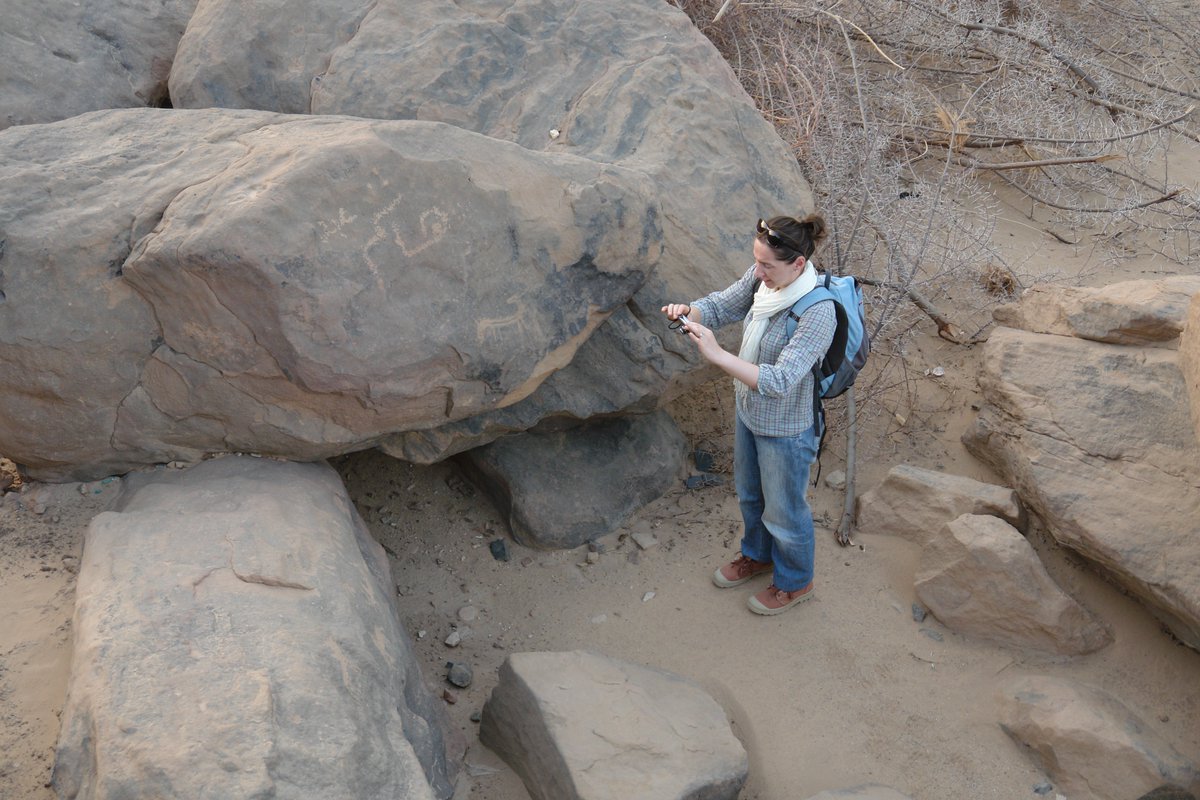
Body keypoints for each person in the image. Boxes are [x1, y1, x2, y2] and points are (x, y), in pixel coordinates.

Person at [662, 214, 836, 615]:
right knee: (751, 495)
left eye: (766, 266)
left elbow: (779, 381)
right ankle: (757, 556)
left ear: (797, 264)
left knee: (786, 510)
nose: (758, 273)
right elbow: (725, 304)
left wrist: (718, 355)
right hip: (749, 409)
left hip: (787, 428)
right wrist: (691, 311)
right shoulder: (766, 278)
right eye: (756, 262)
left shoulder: (818, 311)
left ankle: (796, 582)